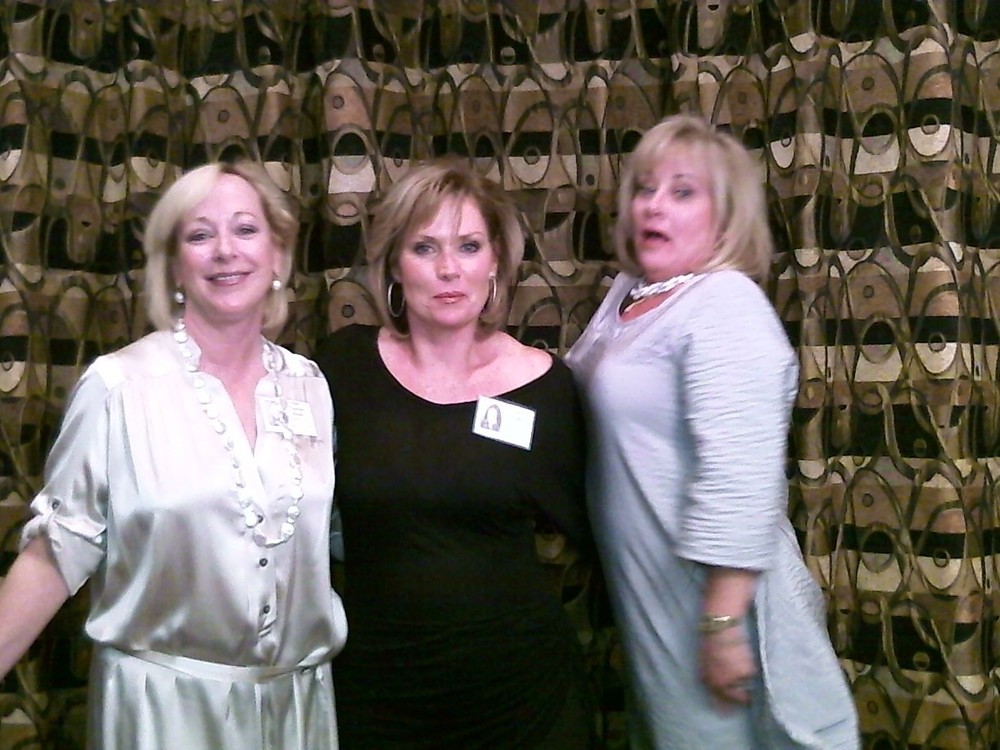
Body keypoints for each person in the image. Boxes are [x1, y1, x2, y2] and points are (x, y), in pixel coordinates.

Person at [0, 161, 347, 750]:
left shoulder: (309, 385)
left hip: (299, 710)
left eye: (245, 229)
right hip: (162, 711)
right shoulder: (119, 387)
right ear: (174, 265)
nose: (225, 250)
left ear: (278, 255)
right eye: (200, 234)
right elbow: (56, 551)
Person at [565, 114, 860, 749]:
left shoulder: (724, 301)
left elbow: (742, 474)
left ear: (725, 219)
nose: (654, 205)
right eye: (645, 188)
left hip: (711, 603)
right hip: (648, 593)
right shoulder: (629, 293)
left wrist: (721, 623)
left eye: (682, 192)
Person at [315, 158, 594, 749]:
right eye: (425, 247)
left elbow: (597, 529)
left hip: (522, 699)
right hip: (379, 695)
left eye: (469, 246)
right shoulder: (343, 367)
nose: (449, 269)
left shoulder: (546, 387)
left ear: (496, 261)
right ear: (394, 263)